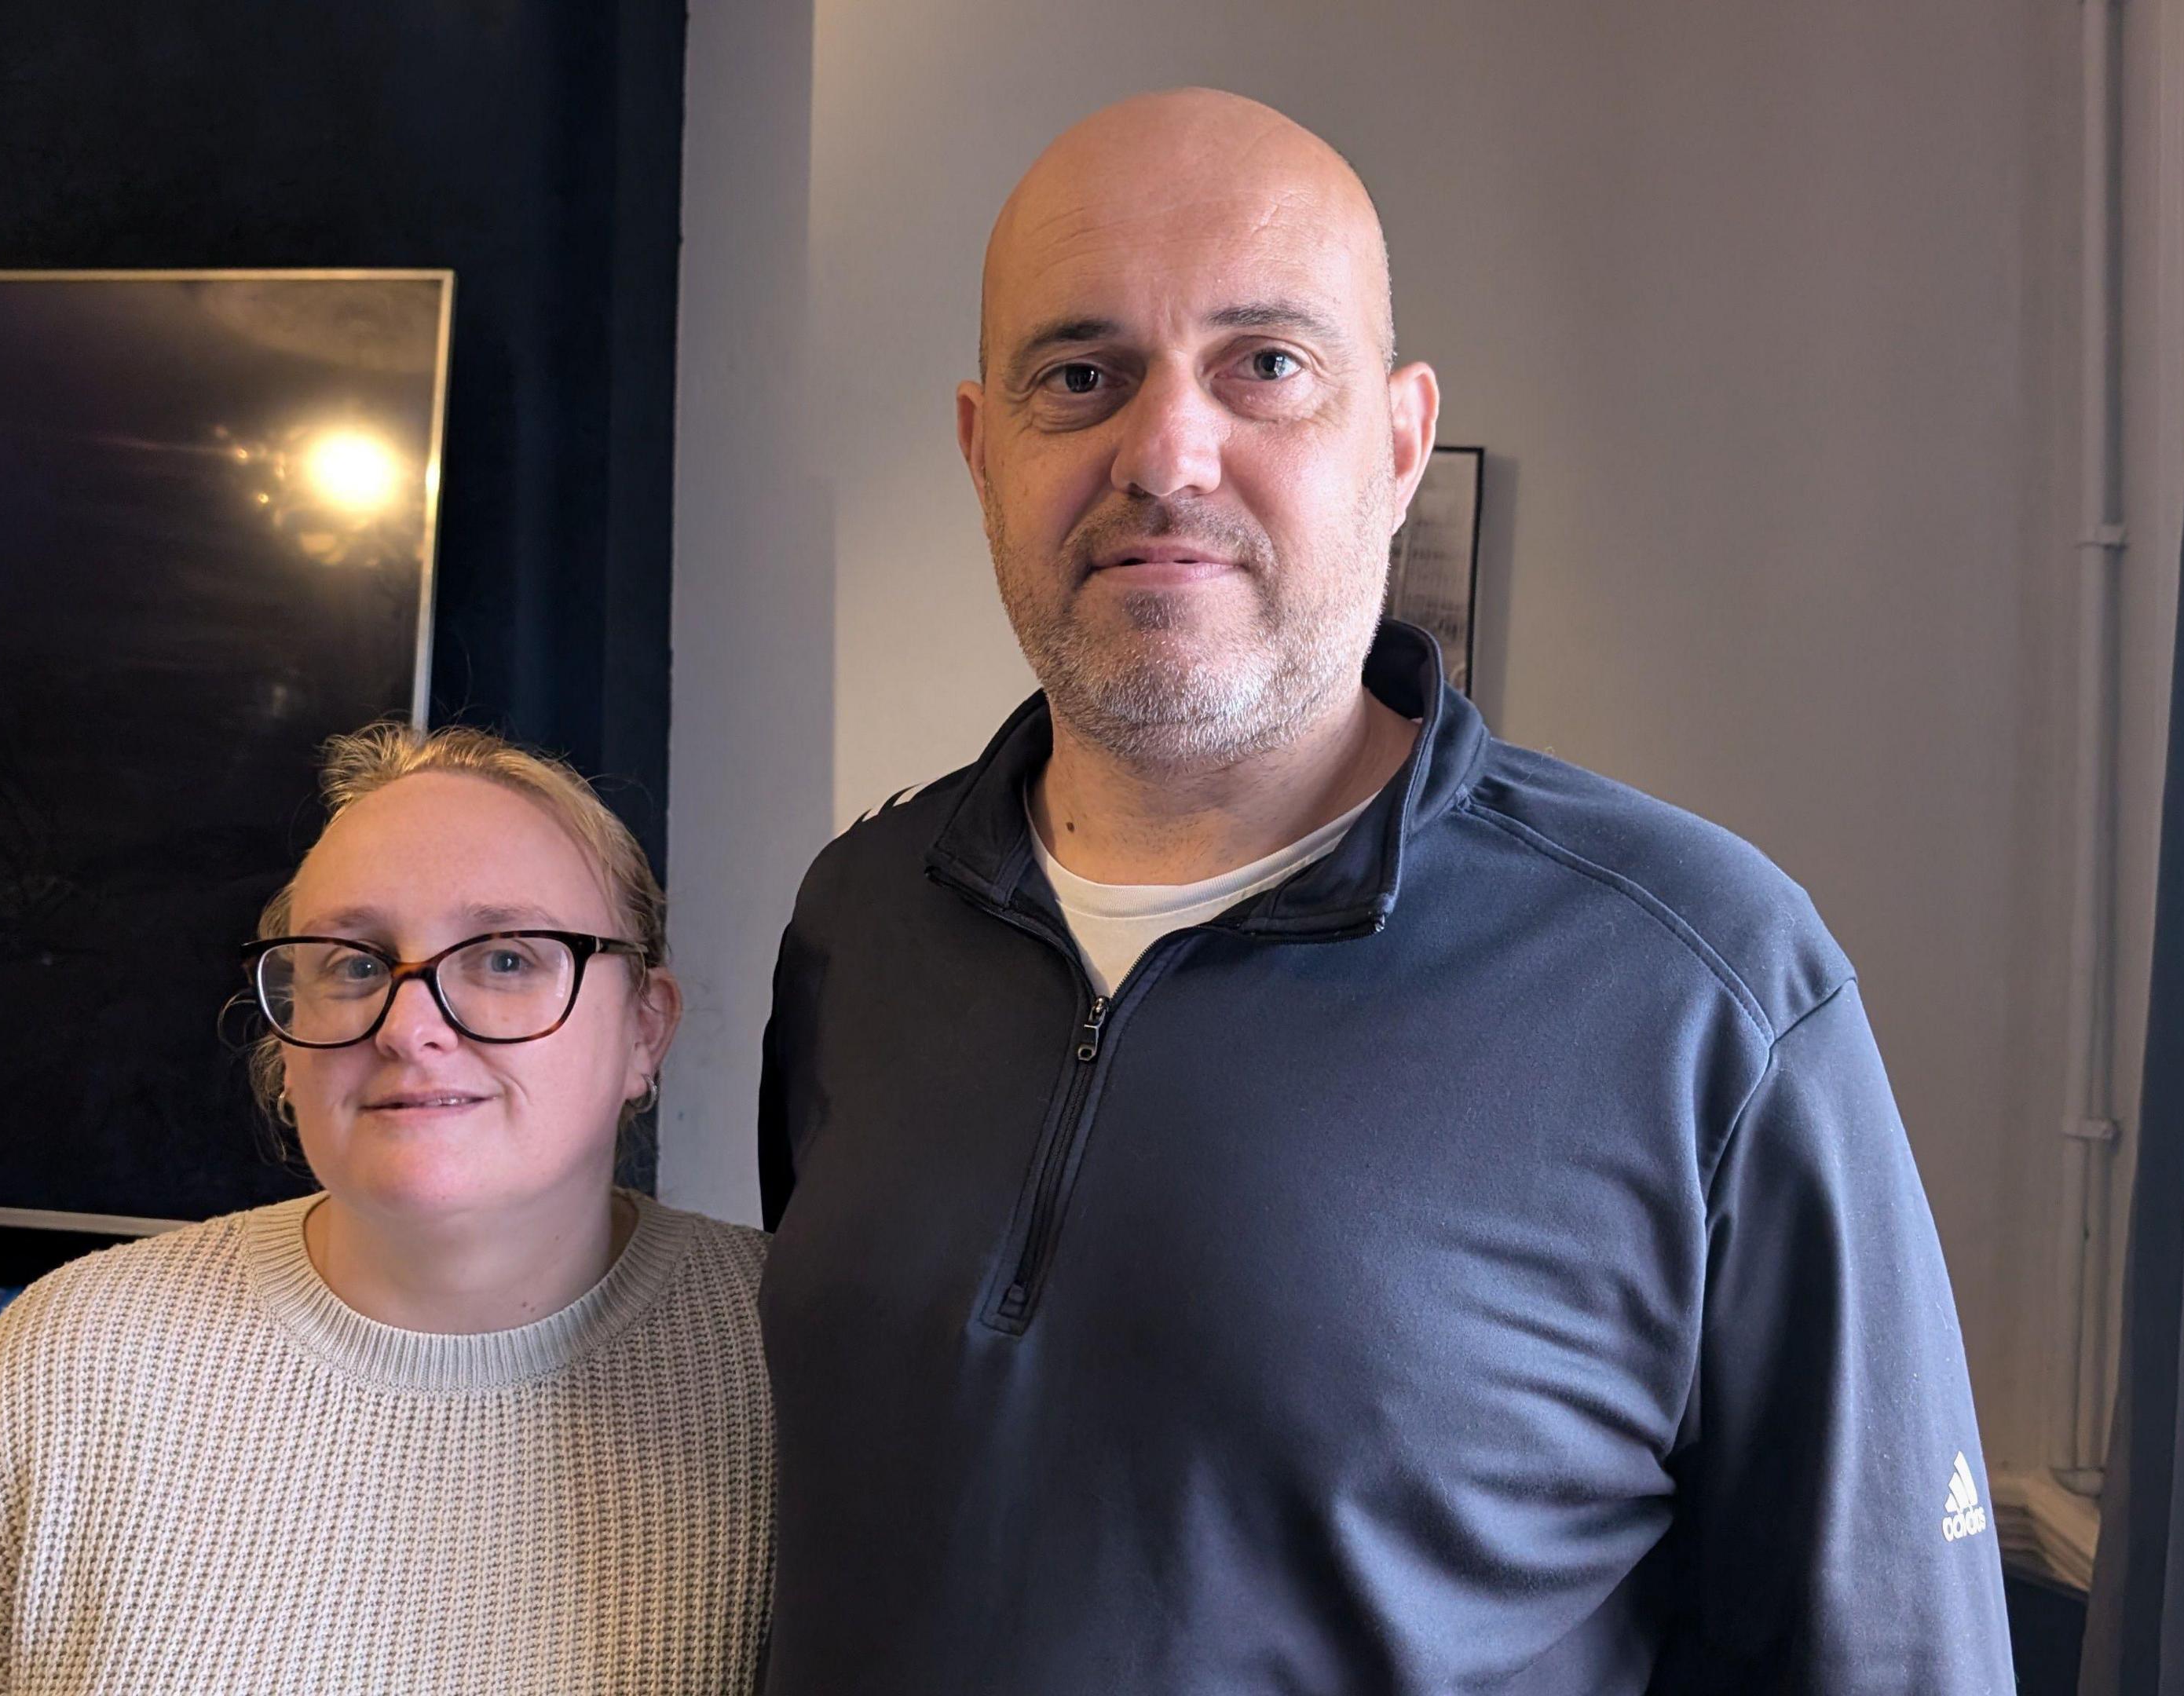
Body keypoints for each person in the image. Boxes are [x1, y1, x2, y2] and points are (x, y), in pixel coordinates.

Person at [755, 88, 2014, 1692]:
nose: (1166, 452)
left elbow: (1892, 1656)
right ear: (983, 448)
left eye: (1265, 367)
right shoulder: (860, 921)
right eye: (1081, 375)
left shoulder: (1702, 982)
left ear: (1400, 443)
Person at [0, 724, 772, 1694]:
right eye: (354, 964)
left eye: (507, 958)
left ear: (645, 1028)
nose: (410, 1029)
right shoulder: (70, 1361)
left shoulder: (806, 1357)